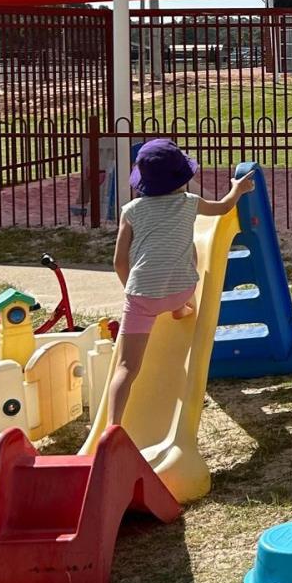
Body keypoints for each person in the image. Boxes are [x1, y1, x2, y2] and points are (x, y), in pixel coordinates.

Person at [109, 140, 254, 425]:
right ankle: (180, 310)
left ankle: (112, 427)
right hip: (181, 291)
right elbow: (223, 208)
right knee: (191, 254)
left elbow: (119, 261)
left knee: (125, 368)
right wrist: (238, 188)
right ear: (182, 178)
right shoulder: (189, 203)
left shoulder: (131, 211)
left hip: (142, 297)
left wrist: (131, 290)